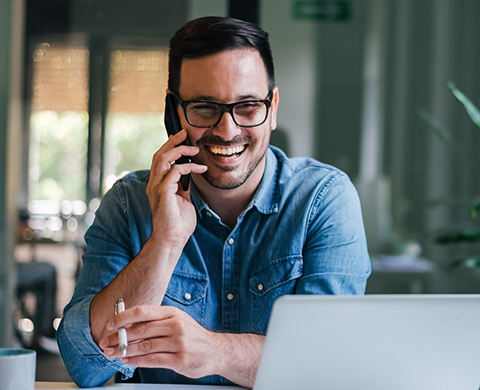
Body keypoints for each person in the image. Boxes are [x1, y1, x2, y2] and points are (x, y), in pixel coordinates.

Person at [57, 16, 371, 388]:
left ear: (273, 107)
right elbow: (85, 366)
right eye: (205, 108)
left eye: (248, 107)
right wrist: (165, 243)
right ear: (175, 112)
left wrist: (213, 351)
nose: (227, 130)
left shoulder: (323, 199)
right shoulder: (128, 203)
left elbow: (329, 366)